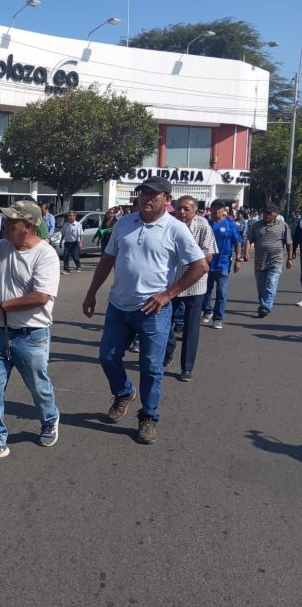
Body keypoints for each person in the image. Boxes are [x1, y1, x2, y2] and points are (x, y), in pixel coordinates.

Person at [81, 176, 207, 445]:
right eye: (143, 194)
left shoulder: (175, 229)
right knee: (107, 356)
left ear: (167, 200)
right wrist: (91, 293)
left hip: (153, 312)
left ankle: (148, 416)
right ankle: (124, 392)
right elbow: (107, 259)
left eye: (154, 195)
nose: (147, 199)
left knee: (151, 367)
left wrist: (168, 294)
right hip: (118, 307)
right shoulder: (125, 223)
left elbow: (200, 266)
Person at [0, 200, 61, 465]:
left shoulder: (45, 255)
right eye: (5, 220)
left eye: (12, 222)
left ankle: (49, 419)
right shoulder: (1, 247)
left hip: (31, 334)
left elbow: (41, 296)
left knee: (38, 386)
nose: (5, 225)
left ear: (27, 227)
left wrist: (1, 306)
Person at [162, 196, 217, 383]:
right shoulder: (167, 223)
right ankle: (168, 350)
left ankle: (187, 368)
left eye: (186, 209)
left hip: (195, 284)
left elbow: (207, 257)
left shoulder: (203, 226)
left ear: (195, 211)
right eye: (179, 209)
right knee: (163, 322)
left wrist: (186, 256)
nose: (182, 213)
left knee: (191, 329)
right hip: (171, 283)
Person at [201, 200, 242, 329]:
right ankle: (208, 311)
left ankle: (218, 318)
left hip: (223, 264)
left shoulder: (230, 224)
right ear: (210, 210)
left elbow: (238, 242)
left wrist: (238, 260)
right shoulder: (207, 223)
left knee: (221, 292)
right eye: (214, 208)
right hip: (207, 264)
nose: (216, 211)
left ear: (224, 210)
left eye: (219, 208)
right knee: (205, 291)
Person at [247, 203, 293, 317]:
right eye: (264, 212)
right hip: (259, 261)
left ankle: (265, 307)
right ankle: (263, 304)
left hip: (276, 260)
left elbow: (289, 243)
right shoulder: (256, 225)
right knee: (261, 287)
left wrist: (290, 258)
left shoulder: (283, 226)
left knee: (271, 284)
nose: (266, 215)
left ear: (276, 214)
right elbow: (249, 239)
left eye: (269, 213)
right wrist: (246, 252)